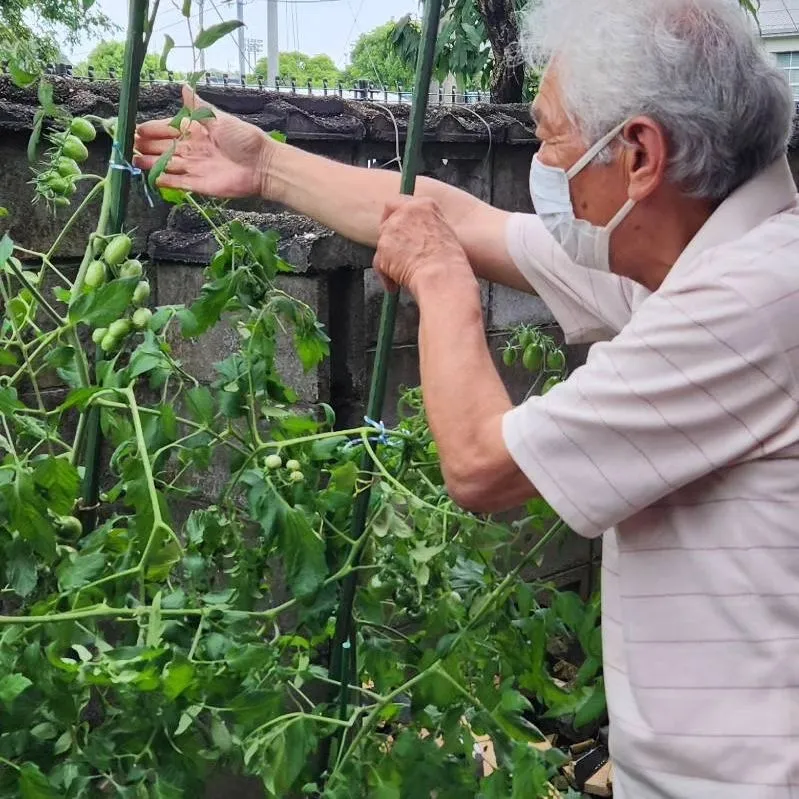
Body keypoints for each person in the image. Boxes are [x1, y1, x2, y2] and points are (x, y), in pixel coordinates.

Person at [135, 0, 799, 794]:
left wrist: (440, 280)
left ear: (640, 155)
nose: (544, 168)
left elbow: (484, 463)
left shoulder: (750, 305)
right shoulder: (698, 256)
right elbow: (457, 216)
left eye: (553, 138)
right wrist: (267, 167)